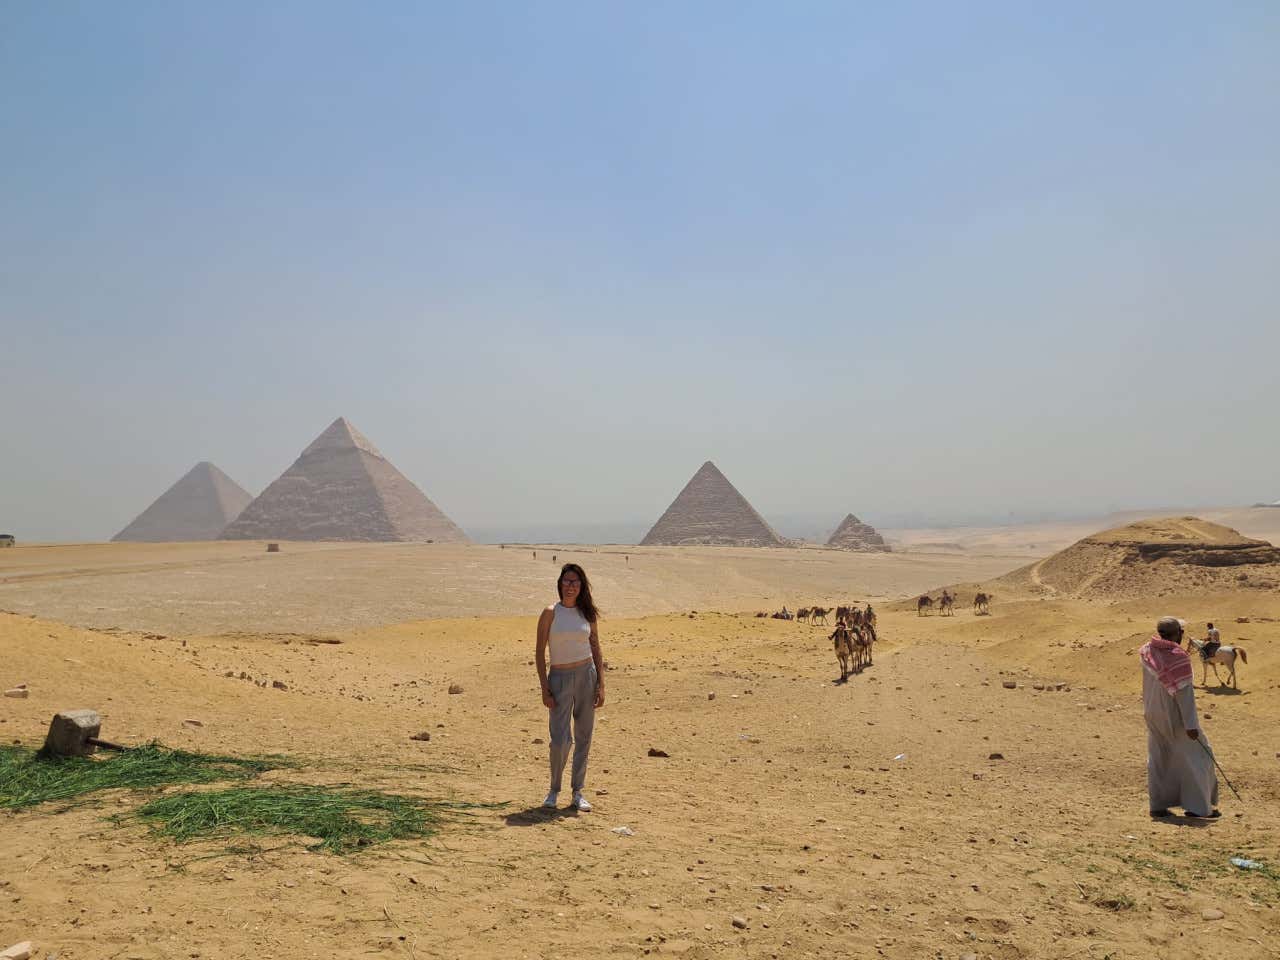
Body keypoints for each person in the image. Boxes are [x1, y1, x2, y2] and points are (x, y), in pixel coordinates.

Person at [535, 563, 605, 812]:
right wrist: (544, 688)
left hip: (587, 675)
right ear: (560, 583)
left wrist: (601, 686)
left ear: (581, 585)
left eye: (575, 582)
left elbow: (596, 647)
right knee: (560, 740)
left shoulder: (587, 613)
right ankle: (554, 790)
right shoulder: (550, 613)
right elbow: (539, 651)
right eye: (567, 581)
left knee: (584, 736)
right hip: (560, 677)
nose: (571, 586)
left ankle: (578, 792)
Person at [1140, 617, 1219, 819]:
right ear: (1179, 634)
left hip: (1152, 712)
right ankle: (1199, 808)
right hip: (1174, 715)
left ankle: (1157, 806)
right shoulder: (1178, 657)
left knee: (1159, 757)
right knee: (1197, 757)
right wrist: (1191, 724)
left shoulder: (1147, 650)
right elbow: (1185, 696)